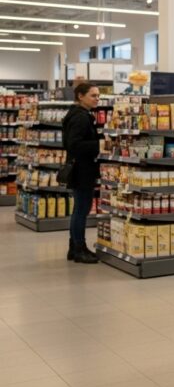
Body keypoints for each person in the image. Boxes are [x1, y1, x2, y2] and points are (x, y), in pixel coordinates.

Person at [62, 83, 101, 263]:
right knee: (81, 210)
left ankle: (75, 247)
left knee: (79, 209)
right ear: (80, 96)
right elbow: (73, 144)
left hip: (80, 168)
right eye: (93, 95)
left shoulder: (80, 114)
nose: (97, 99)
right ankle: (79, 248)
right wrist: (100, 145)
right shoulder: (80, 118)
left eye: (98, 96)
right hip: (82, 169)